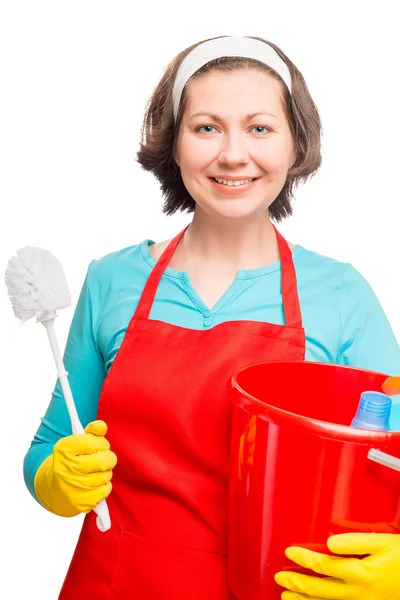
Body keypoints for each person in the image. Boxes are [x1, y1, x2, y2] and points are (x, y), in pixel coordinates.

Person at [23, 35, 400, 600]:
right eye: (206, 127)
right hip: (115, 582)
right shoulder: (111, 280)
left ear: (296, 145)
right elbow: (47, 450)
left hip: (277, 585)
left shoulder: (341, 294)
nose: (232, 153)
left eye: (260, 127)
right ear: (173, 145)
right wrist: (58, 481)